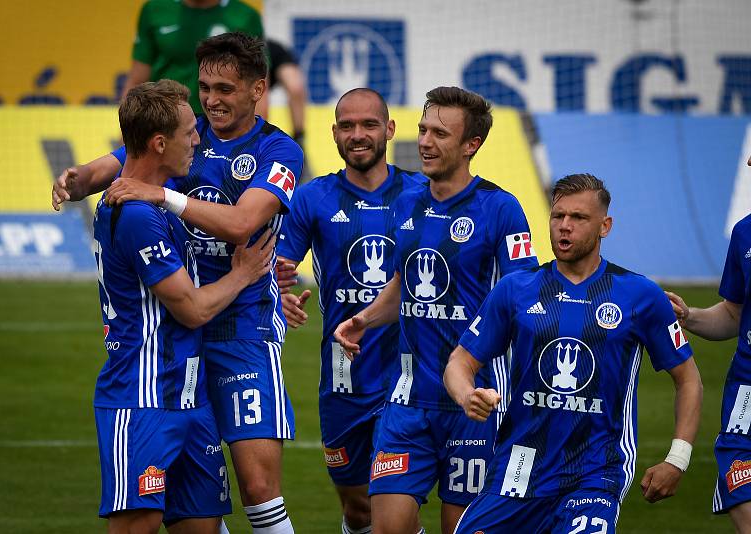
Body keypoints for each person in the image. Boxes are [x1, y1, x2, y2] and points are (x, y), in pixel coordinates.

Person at [53, 33, 303, 534]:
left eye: (225, 89)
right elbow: (126, 156)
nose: (211, 100)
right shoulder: (191, 131)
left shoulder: (279, 150)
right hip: (179, 334)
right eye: (205, 86)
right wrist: (83, 178)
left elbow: (239, 225)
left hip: (242, 328)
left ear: (258, 90)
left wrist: (160, 195)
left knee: (257, 487)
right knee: (198, 499)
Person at [445, 173, 703, 534]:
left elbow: (688, 378)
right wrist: (467, 394)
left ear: (605, 226)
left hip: (596, 472)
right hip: (518, 465)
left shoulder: (641, 295)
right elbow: (460, 361)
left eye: (578, 218)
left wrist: (677, 459)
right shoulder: (515, 289)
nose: (565, 227)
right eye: (558, 216)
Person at [334, 86, 539, 534]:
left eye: (440, 134)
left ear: (471, 145)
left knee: (462, 529)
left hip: (476, 402)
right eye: (423, 129)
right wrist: (364, 319)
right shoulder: (407, 202)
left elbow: (525, 298)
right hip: (408, 398)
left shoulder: (500, 208)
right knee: (387, 526)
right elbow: (403, 284)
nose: (425, 141)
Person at [92, 79, 273, 533]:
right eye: (189, 132)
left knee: (203, 527)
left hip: (189, 401)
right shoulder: (134, 214)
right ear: (159, 143)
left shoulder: (154, 202)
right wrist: (243, 274)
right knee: (138, 525)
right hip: (142, 397)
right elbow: (191, 309)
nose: (198, 140)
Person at [276, 87, 424, 534]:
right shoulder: (312, 198)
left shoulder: (423, 193)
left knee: (391, 510)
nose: (358, 135)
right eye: (348, 126)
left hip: (409, 376)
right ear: (335, 133)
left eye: (369, 125)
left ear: (389, 130)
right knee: (358, 510)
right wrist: (277, 291)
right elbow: (277, 267)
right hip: (343, 374)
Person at [667, 155, 751, 533]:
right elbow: (735, 313)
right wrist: (690, 316)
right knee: (737, 477)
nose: (749, 162)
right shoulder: (745, 233)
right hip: (746, 389)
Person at [124, 0, 264, 111]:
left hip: (221, 123)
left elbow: (258, 86)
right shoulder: (154, 10)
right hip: (166, 124)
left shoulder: (246, 16)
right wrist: (127, 135)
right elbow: (137, 82)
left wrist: (256, 139)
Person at [266, 40, 307, 150]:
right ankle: (257, 143)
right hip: (236, 50)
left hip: (261, 46)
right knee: (258, 89)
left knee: (295, 87)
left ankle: (299, 142)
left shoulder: (274, 48)